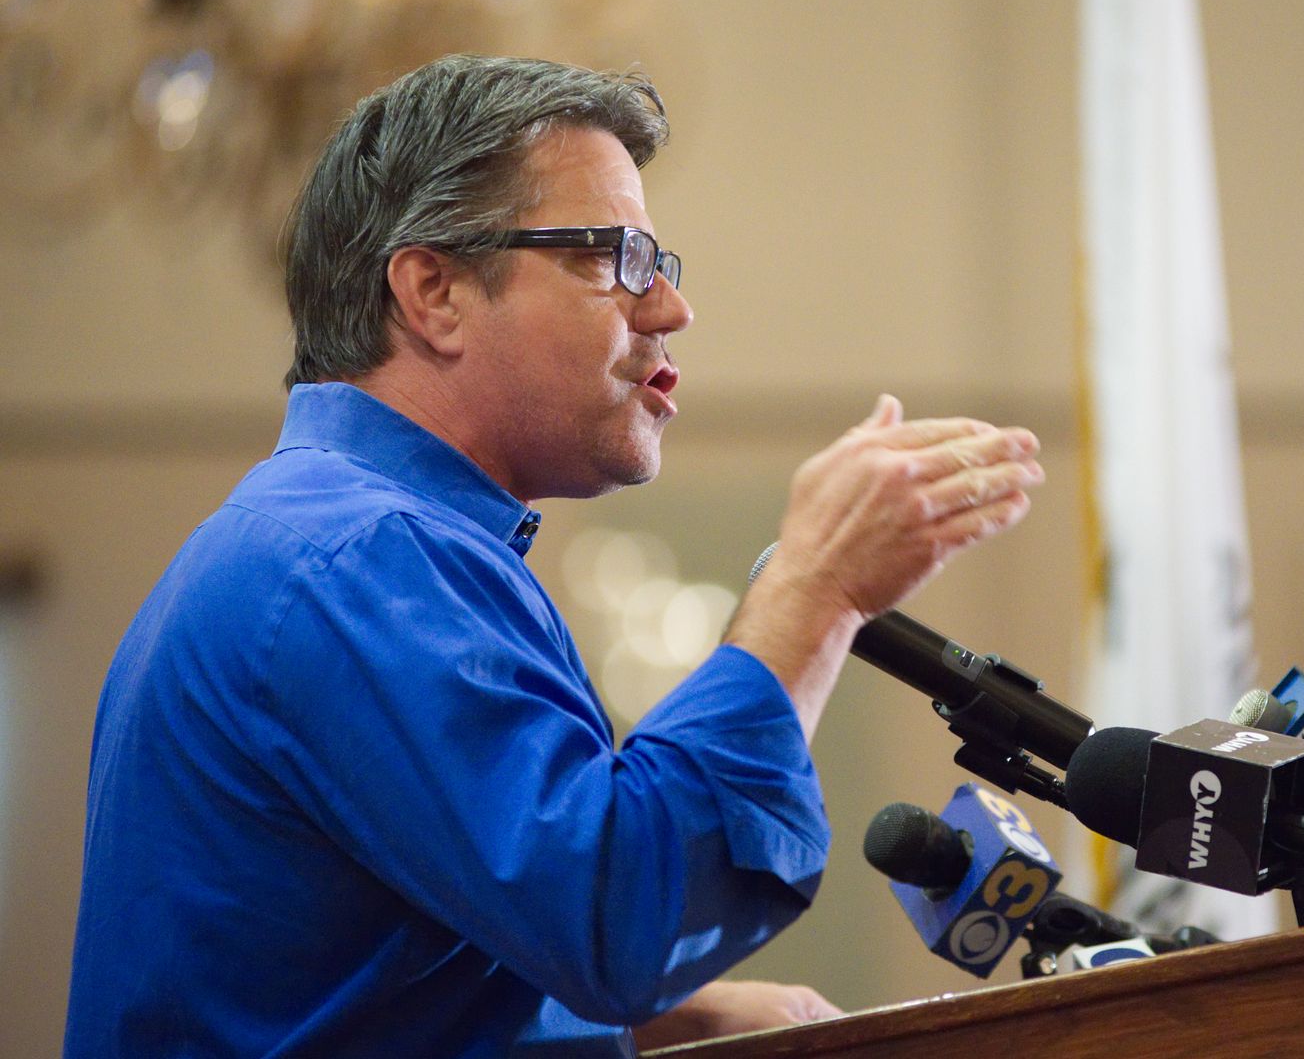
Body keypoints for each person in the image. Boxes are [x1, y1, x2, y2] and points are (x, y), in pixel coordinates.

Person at [64, 54, 1044, 1056]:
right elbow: (622, 915)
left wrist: (656, 1024)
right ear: (435, 292)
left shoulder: (325, 540)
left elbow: (371, 980)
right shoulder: (357, 560)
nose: (669, 308)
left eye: (659, 263)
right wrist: (816, 589)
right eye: (614, 257)